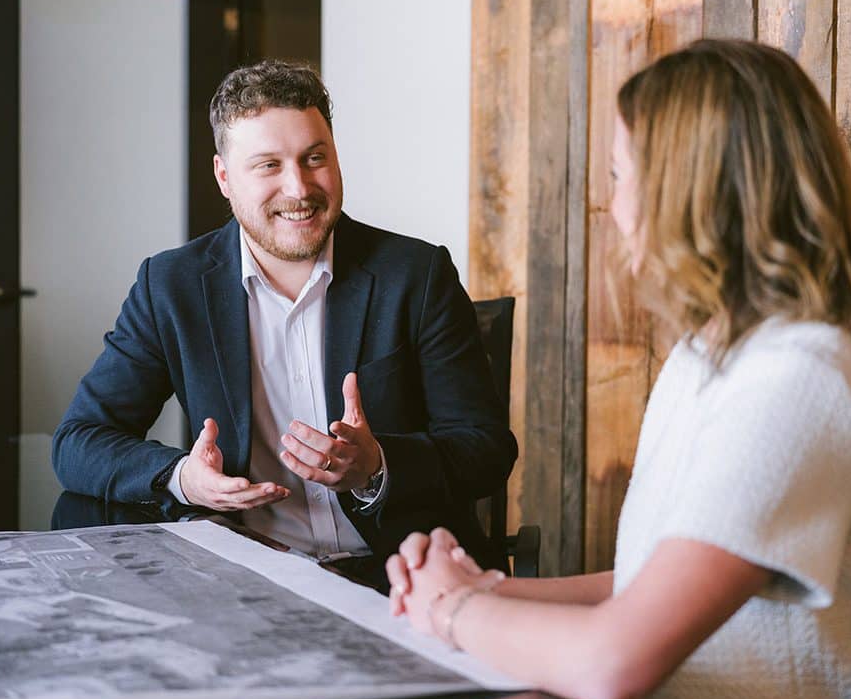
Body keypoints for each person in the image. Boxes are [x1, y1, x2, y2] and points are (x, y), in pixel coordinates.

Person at [385, 39, 851, 699]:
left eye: (620, 175)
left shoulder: (798, 382)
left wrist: (453, 610)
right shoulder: (710, 357)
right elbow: (648, 583)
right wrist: (481, 588)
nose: (611, 206)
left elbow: (615, 662)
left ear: (688, 194)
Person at [53, 60, 517, 575]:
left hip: (403, 578)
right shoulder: (171, 286)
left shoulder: (417, 274)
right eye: (269, 165)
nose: (299, 189)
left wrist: (376, 464)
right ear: (224, 178)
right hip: (250, 582)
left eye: (314, 158)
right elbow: (79, 441)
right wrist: (184, 478)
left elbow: (486, 449)